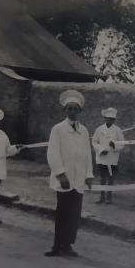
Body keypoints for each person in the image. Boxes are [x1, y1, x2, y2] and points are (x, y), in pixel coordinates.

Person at [45, 90, 94, 257]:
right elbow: (53, 153)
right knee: (62, 213)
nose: (72, 111)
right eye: (69, 108)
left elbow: (88, 154)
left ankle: (68, 245)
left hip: (79, 178)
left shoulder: (85, 130)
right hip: (64, 179)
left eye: (75, 109)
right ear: (65, 111)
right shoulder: (57, 129)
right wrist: (61, 174)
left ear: (80, 112)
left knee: (75, 215)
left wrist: (88, 175)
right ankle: (57, 245)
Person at [92, 107, 125, 204]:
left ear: (114, 120)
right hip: (102, 158)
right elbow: (94, 141)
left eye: (112, 119)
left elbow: (122, 143)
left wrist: (115, 145)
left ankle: (109, 197)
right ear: (105, 118)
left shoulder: (117, 130)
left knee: (111, 178)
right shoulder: (99, 129)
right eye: (108, 118)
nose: (110, 120)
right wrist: (101, 150)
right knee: (102, 178)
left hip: (112, 158)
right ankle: (102, 197)